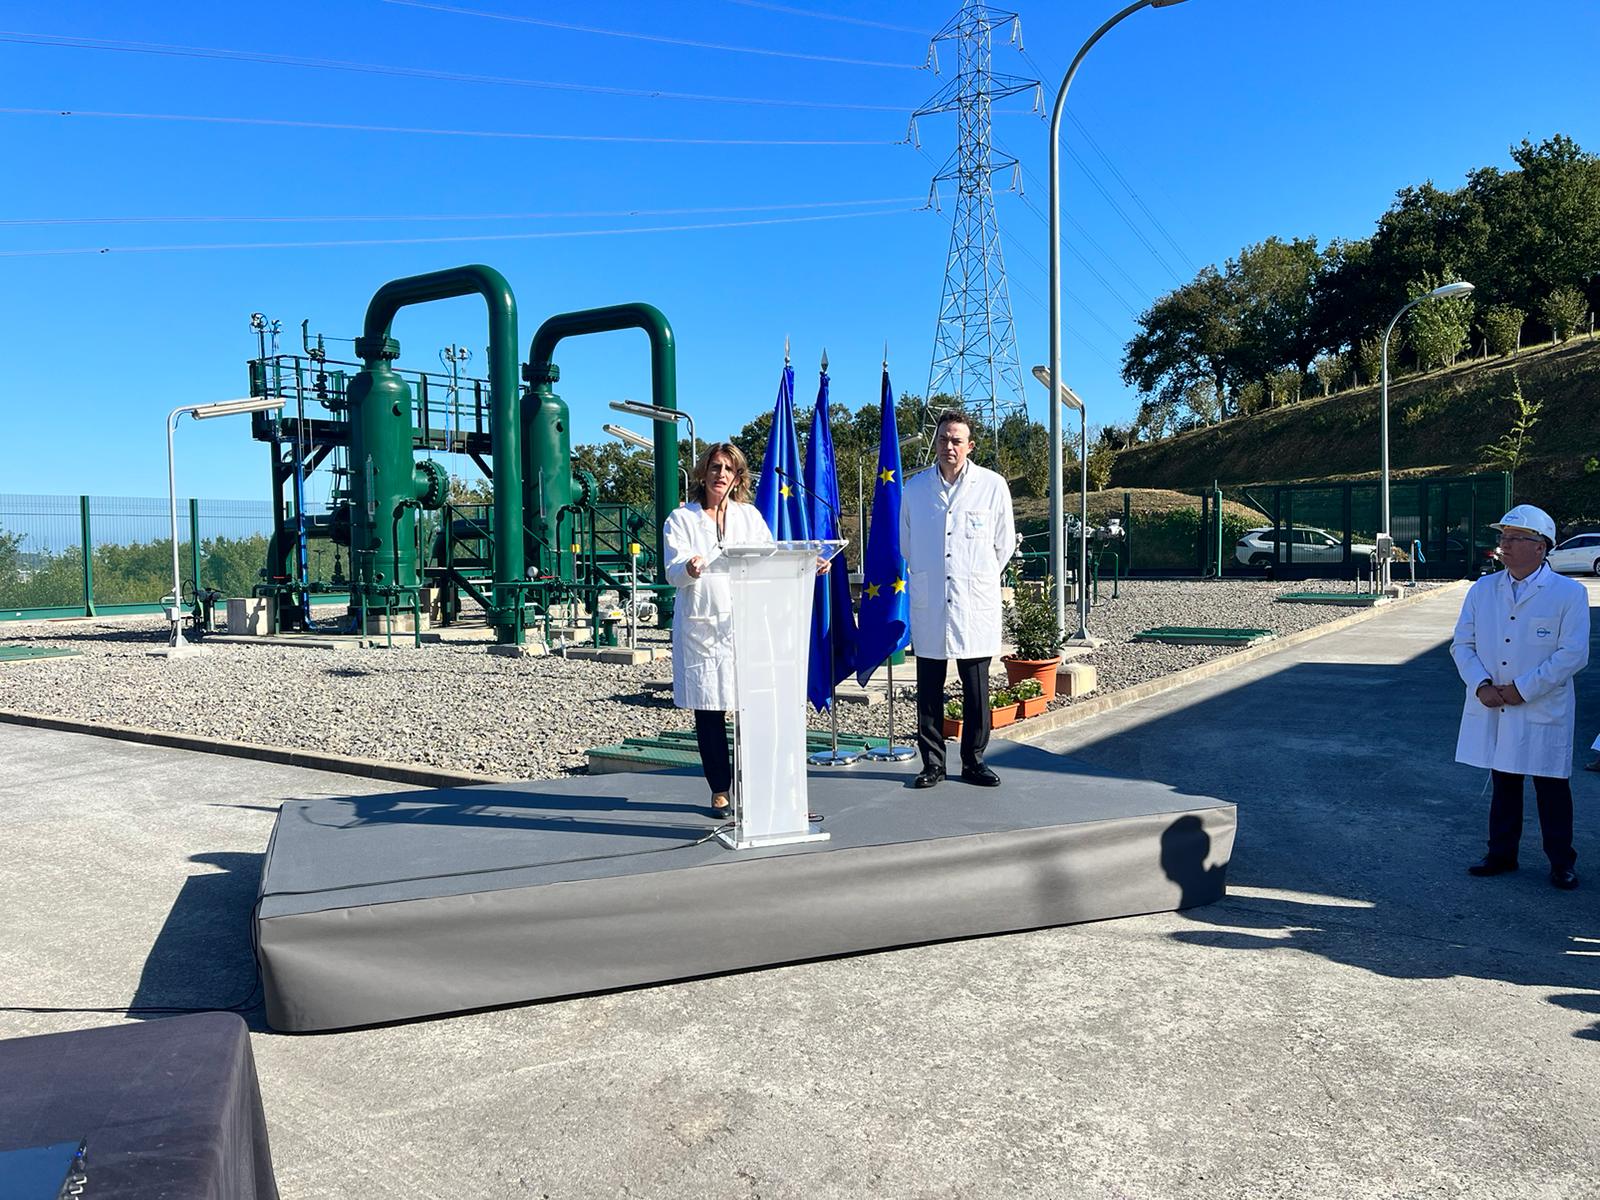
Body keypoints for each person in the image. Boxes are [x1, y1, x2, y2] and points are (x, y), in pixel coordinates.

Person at [1450, 504, 1590, 889]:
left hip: (1542, 705)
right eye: (1502, 538)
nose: (1504, 546)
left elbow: (1573, 654)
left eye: (1514, 539)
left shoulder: (1568, 594)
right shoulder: (1483, 590)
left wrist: (1521, 689)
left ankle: (1561, 861)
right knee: (1505, 782)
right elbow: (1463, 644)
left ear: (1540, 547)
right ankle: (1501, 854)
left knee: (1551, 787)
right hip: (1495, 702)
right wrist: (1481, 685)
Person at [901, 409, 1016, 790]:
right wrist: (930, 575)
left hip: (973, 599)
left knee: (976, 685)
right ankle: (932, 763)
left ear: (970, 445)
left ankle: (974, 760)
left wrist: (977, 576)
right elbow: (908, 543)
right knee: (930, 685)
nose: (949, 446)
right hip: (932, 597)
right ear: (935, 441)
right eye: (944, 438)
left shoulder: (992, 485)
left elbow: (1004, 543)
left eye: (956, 440)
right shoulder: (915, 489)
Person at [663, 444, 772, 817]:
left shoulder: (750, 517)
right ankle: (720, 789)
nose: (720, 474)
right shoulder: (682, 519)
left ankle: (753, 783)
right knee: (709, 709)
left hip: (743, 625)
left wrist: (807, 565)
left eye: (728, 468)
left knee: (749, 707)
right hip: (703, 628)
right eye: (714, 467)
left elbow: (770, 561)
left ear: (738, 477)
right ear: (702, 473)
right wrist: (689, 569)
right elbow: (671, 570)